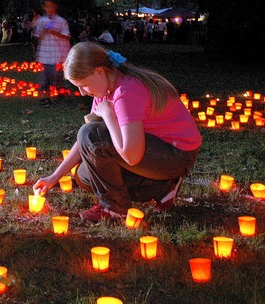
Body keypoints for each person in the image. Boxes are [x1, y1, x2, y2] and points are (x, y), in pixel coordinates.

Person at [33, 42, 201, 222]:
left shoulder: (126, 92)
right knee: (84, 175)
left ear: (99, 72)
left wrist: (108, 115)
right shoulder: (104, 89)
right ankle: (162, 187)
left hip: (176, 154)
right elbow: (86, 144)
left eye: (83, 85)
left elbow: (130, 156)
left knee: (90, 135)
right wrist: (54, 177)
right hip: (154, 149)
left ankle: (116, 208)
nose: (82, 93)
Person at [33, 0, 70, 105]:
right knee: (44, 79)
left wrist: (54, 32)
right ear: (44, 8)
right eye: (47, 6)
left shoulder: (61, 21)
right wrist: (42, 33)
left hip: (57, 55)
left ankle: (60, 94)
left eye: (51, 6)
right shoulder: (41, 21)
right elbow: (36, 37)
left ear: (55, 7)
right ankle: (45, 98)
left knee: (57, 77)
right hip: (44, 55)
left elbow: (67, 36)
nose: (49, 9)